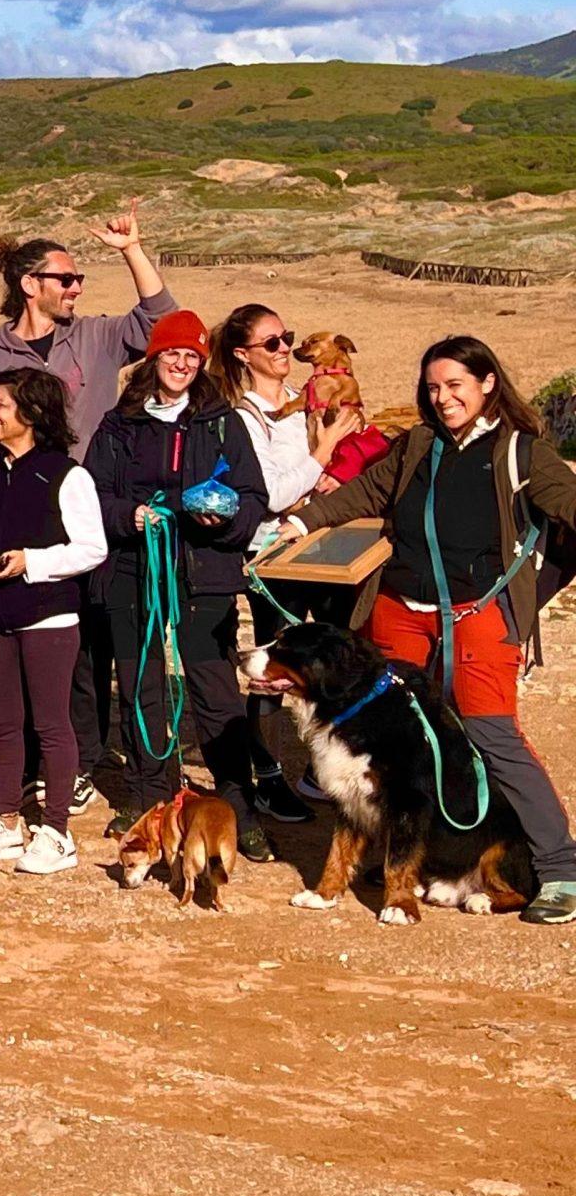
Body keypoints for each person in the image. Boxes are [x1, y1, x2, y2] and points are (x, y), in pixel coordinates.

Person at [290, 335, 576, 924]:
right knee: (397, 739)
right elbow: (368, 492)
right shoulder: (418, 444)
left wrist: (525, 604)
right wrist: (299, 521)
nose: (443, 399)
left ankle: (558, 868)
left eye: (455, 386)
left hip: (480, 614)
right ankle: (410, 853)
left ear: (487, 383)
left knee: (491, 734)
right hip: (398, 607)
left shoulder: (523, 454)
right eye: (433, 388)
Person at [0, 210, 180, 787]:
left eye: (78, 281)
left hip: (98, 511)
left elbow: (160, 323)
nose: (75, 289)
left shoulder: (94, 335)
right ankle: (53, 761)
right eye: (65, 279)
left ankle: (90, 760)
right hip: (27, 517)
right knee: (45, 644)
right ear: (30, 285)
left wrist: (132, 250)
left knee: (95, 639)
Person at [83, 311, 274, 854]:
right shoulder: (120, 422)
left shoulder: (221, 421)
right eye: (173, 354)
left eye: (192, 356)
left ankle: (238, 805)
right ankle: (149, 795)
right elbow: (92, 492)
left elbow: (253, 496)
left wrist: (226, 521)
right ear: (155, 357)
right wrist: (128, 517)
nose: (182, 364)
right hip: (132, 568)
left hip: (205, 568)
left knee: (213, 689)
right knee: (140, 681)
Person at [0, 368, 108, 875]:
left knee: (52, 724)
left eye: (0, 405)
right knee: (1, 722)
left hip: (48, 616)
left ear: (31, 414)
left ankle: (56, 831)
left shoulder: (67, 474)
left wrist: (31, 562)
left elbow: (92, 548)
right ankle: (7, 821)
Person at [214, 301, 362, 819]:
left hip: (323, 546)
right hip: (272, 553)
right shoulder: (241, 419)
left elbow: (346, 455)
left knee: (341, 652)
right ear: (242, 355)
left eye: (287, 338)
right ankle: (269, 774)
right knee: (271, 666)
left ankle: (329, 766)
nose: (285, 351)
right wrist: (323, 452)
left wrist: (335, 464)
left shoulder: (309, 399)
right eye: (272, 343)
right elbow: (272, 491)